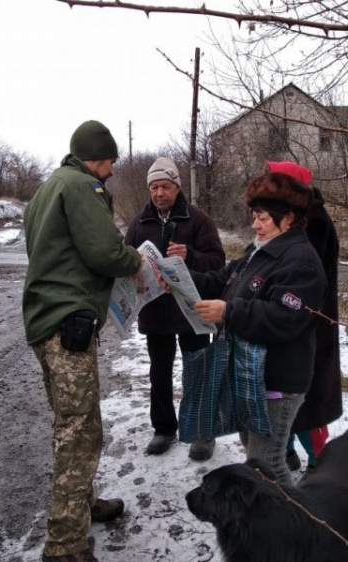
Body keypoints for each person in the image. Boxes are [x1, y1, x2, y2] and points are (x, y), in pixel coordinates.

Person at [23, 120, 143, 562]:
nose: (112, 171)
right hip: (66, 325)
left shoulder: (46, 189)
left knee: (75, 420)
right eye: (111, 161)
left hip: (46, 322)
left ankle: (83, 506)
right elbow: (105, 252)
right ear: (99, 156)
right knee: (79, 433)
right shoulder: (81, 186)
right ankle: (65, 545)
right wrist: (137, 262)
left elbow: (54, 252)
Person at [190, 172, 327, 485]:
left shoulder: (300, 259)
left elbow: (285, 317)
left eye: (262, 218)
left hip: (278, 380)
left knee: (267, 464)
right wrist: (178, 280)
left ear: (288, 218)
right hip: (249, 374)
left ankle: (293, 527)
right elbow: (220, 281)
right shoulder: (259, 251)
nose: (255, 225)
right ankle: (279, 522)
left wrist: (229, 311)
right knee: (257, 455)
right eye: (254, 217)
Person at [125, 157, 225, 460]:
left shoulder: (197, 220)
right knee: (159, 372)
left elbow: (218, 261)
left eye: (164, 186)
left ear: (176, 186)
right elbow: (125, 258)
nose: (158, 193)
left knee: (198, 372)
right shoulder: (139, 223)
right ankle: (164, 428)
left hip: (192, 310)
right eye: (153, 187)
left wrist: (191, 255)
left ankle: (202, 431)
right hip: (155, 312)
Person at [265, 161, 343, 473]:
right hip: (290, 325)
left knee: (306, 403)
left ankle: (322, 467)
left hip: (309, 329)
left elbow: (299, 278)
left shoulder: (316, 225)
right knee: (282, 396)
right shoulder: (294, 219)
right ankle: (286, 452)